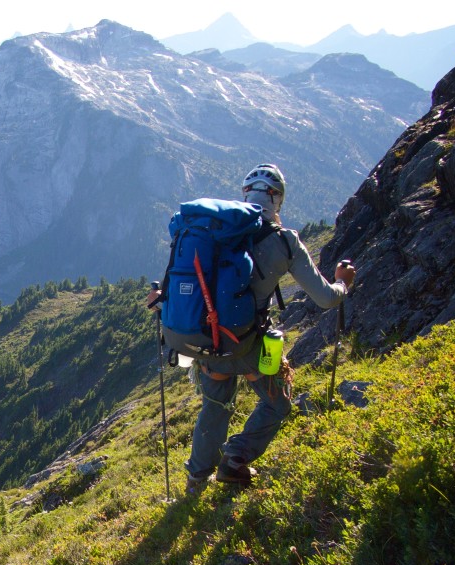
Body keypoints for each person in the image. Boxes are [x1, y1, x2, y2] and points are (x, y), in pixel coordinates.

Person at [147, 163, 356, 490]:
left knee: (215, 405)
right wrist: (343, 284)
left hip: (203, 340)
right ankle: (235, 459)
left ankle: (196, 480)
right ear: (278, 199)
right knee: (278, 401)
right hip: (245, 344)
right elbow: (326, 299)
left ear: (246, 194)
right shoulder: (284, 241)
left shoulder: (215, 231)